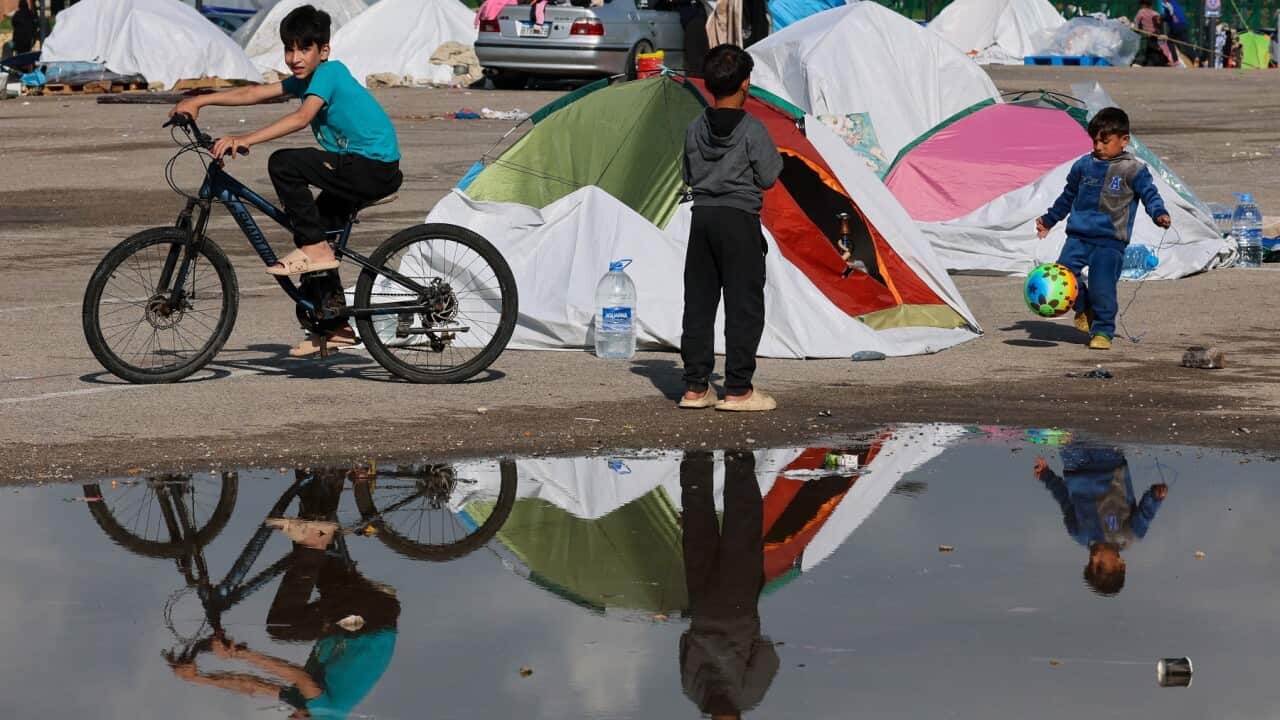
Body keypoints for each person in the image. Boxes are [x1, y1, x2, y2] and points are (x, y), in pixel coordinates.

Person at [172, 5, 403, 357]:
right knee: (310, 228)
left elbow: (301, 118)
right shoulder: (306, 79)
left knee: (285, 164)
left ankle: (316, 251)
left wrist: (246, 138)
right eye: (289, 48)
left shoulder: (330, 72)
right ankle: (335, 324)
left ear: (323, 51)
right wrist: (200, 100)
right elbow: (254, 93)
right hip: (356, 166)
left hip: (372, 166)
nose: (294, 57)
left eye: (304, 49)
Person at [170, 468, 401, 719]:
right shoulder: (325, 713)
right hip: (367, 620)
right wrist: (241, 653)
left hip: (361, 616)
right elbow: (297, 675)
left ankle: (325, 478)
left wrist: (201, 679)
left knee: (309, 556)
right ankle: (315, 535)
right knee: (283, 627)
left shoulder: (304, 705)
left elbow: (252, 687)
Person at [679, 44, 782, 412]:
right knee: (743, 307)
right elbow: (769, 177)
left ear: (708, 87)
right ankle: (738, 389)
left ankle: (695, 387)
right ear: (745, 85)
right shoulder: (753, 129)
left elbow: (687, 175)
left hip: (702, 219)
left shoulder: (694, 128)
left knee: (699, 304)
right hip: (739, 221)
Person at [1036, 107, 1171, 351]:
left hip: (1110, 242)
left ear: (1124, 140)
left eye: (1105, 141)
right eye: (1095, 140)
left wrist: (1158, 214)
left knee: (1103, 287)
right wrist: (1049, 219)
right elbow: (1067, 197)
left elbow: (1150, 195)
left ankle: (1103, 331)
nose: (1098, 146)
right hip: (1078, 237)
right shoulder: (1082, 166)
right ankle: (1085, 307)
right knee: (1064, 276)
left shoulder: (1133, 169)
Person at [679, 450, 778, 718]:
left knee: (739, 527)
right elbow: (685, 643)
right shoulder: (696, 691)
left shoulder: (745, 694)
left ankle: (734, 459)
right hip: (708, 608)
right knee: (701, 525)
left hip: (734, 610)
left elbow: (767, 652)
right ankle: (698, 458)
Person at [1034, 447, 1167, 596]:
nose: (1094, 558)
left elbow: (1065, 499)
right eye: (1100, 565)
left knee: (1068, 436)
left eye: (1091, 564)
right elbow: (1146, 513)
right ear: (1120, 564)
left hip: (1075, 465)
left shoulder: (1078, 533)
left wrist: (1047, 475)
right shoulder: (1129, 535)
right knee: (1098, 435)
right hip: (1109, 462)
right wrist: (1155, 496)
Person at [1133, 0, 1167, 66]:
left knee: (1142, 50)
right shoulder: (1156, 13)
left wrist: (1135, 29)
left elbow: (1136, 27)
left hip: (1145, 37)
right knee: (1153, 53)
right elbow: (1160, 27)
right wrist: (1162, 34)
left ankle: (1138, 62)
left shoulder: (1141, 12)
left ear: (1143, 4)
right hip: (1155, 37)